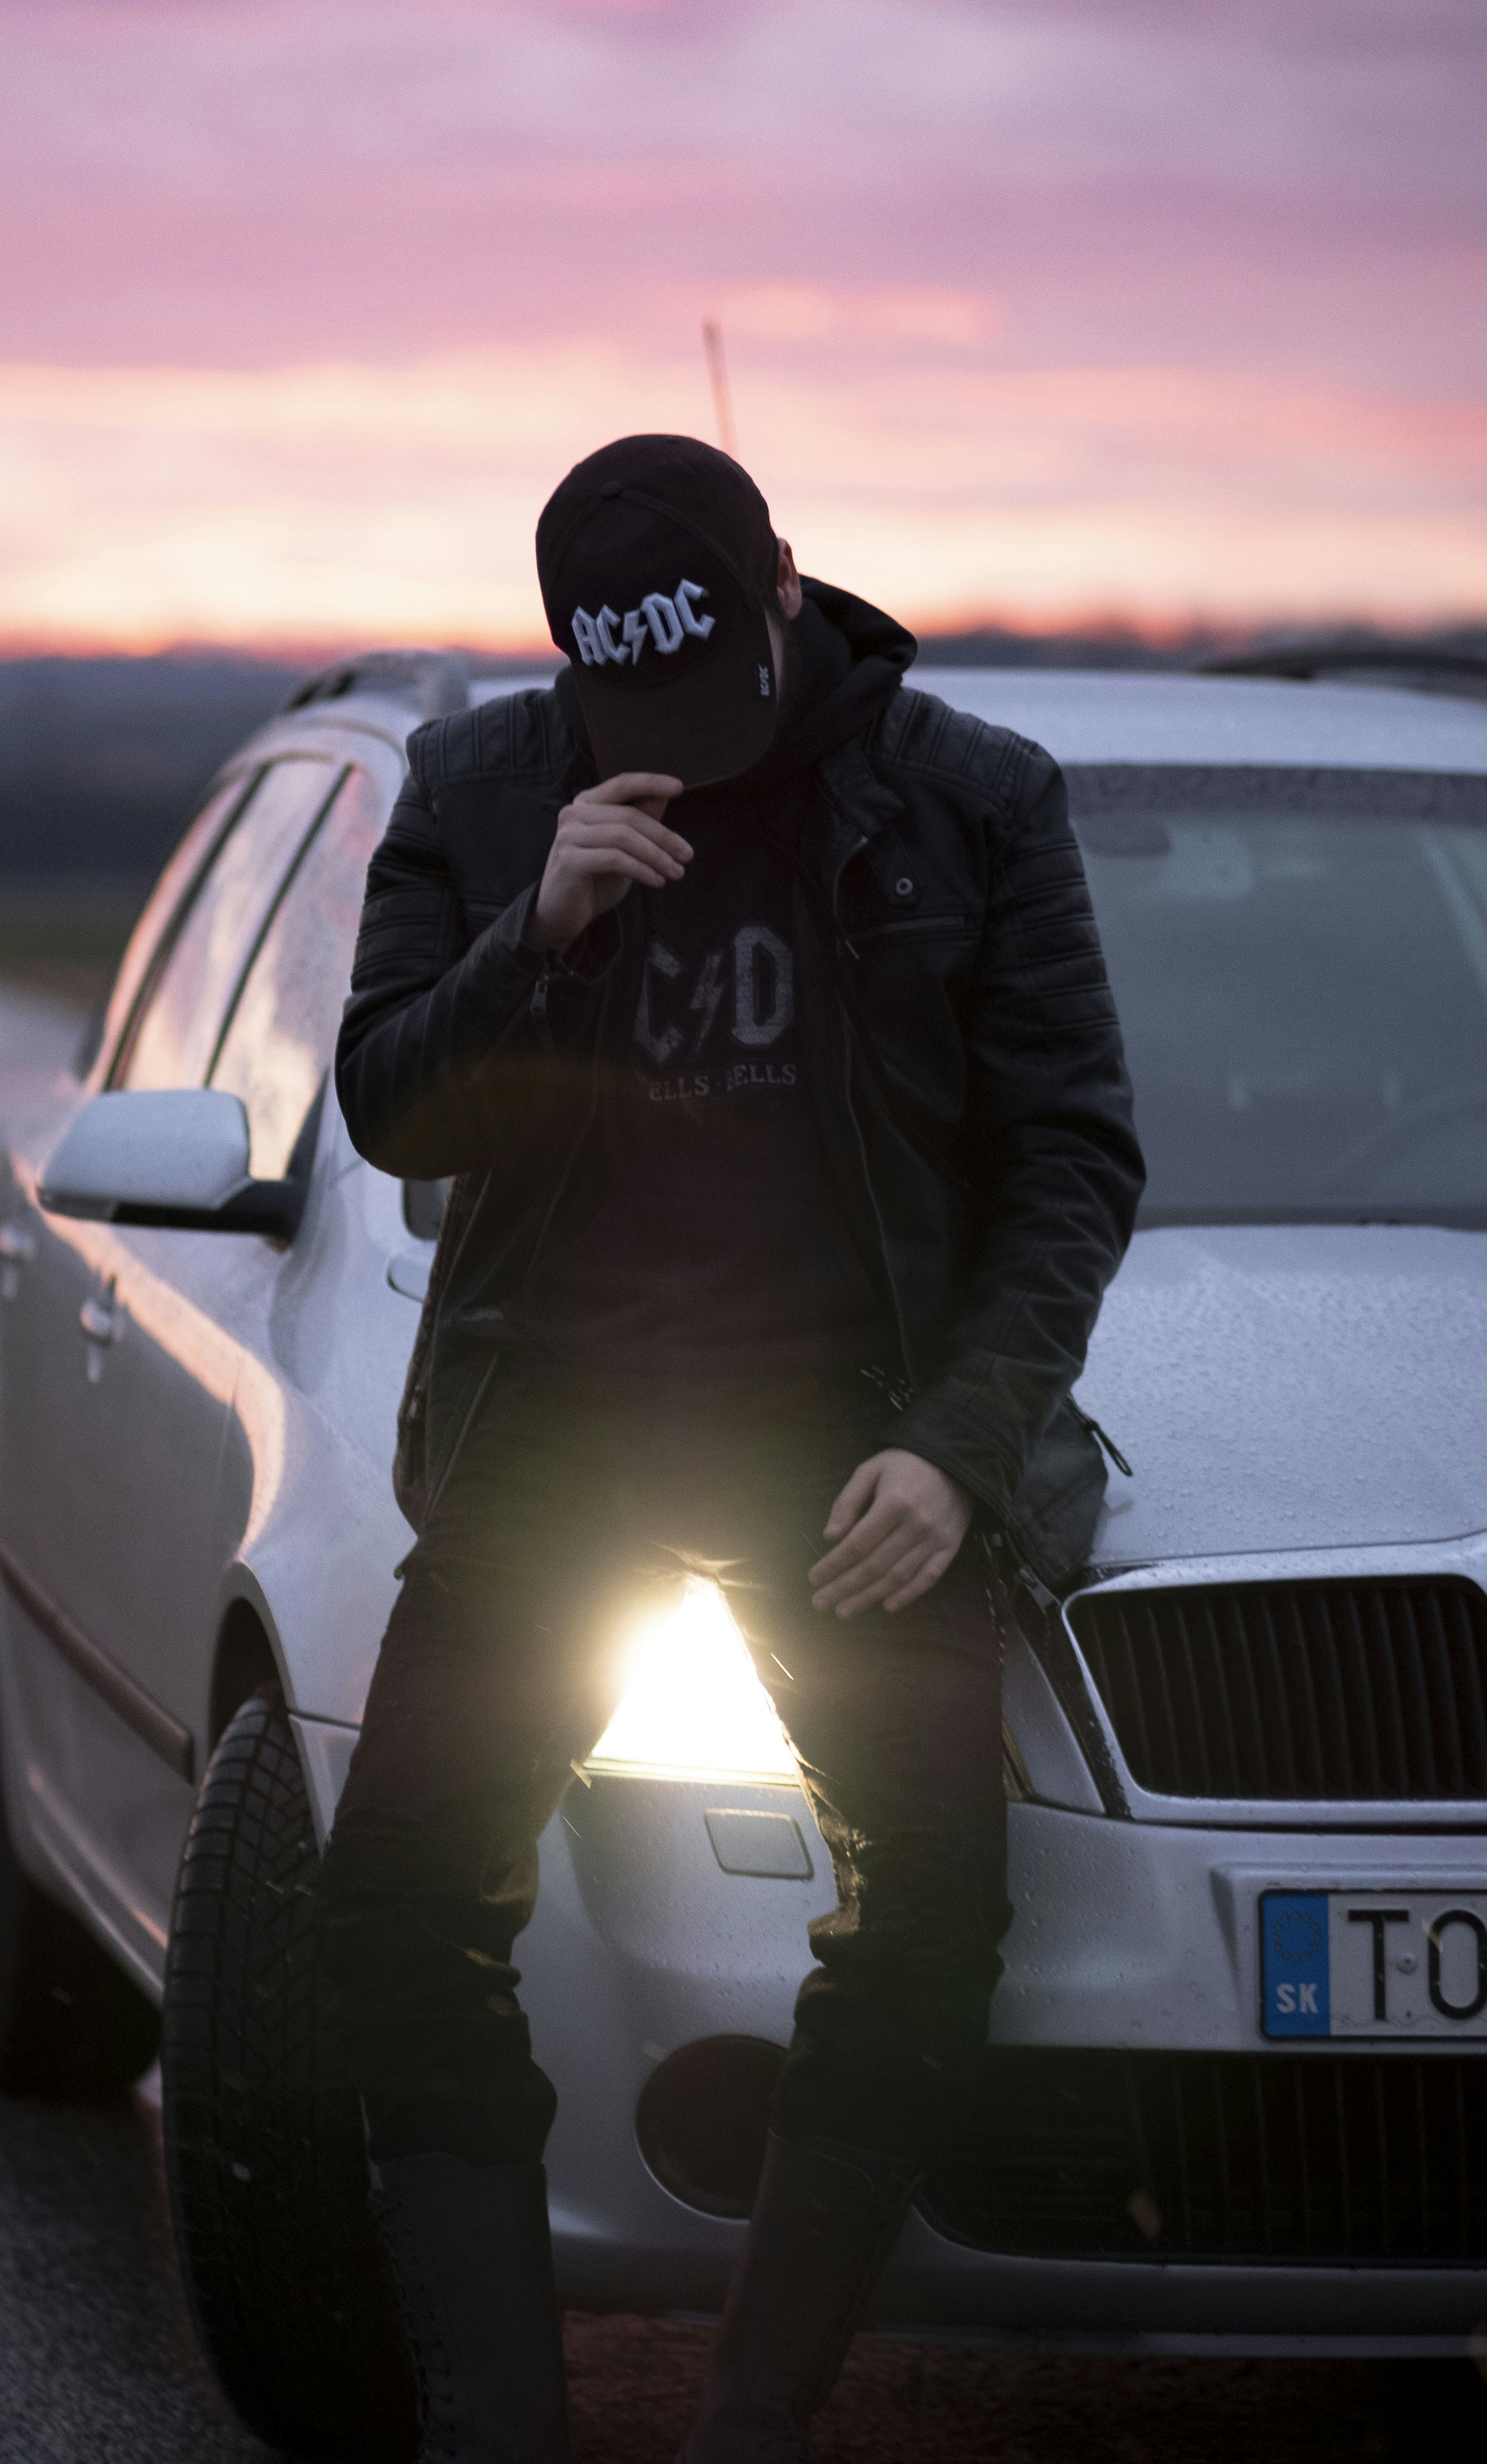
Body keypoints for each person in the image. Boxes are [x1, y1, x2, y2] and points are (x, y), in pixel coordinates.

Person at [317, 433, 1142, 2463]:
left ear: (784, 588)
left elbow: (1069, 1162)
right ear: (576, 659)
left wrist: (959, 1446)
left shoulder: (969, 799)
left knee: (931, 1911)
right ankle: (500, 2425)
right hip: (557, 1425)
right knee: (396, 1911)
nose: (679, 746)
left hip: (858, 1444)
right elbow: (391, 1114)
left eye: (714, 691)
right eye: (633, 706)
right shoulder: (484, 791)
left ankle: (752, 2421)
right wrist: (539, 933)